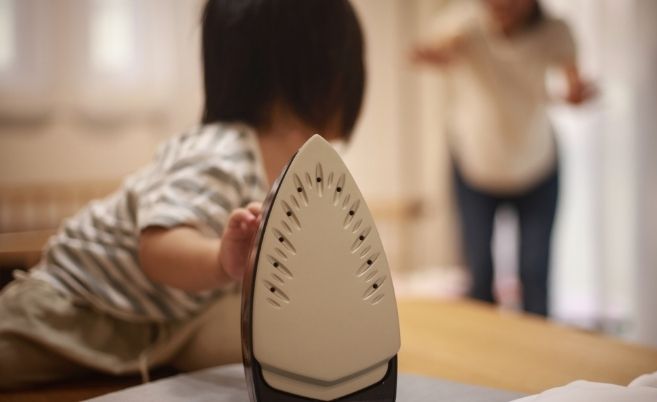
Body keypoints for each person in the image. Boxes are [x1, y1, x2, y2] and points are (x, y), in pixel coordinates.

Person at [0, 0, 365, 389]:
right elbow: (157, 249)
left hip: (152, 321)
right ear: (329, 79)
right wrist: (222, 259)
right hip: (72, 305)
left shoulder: (281, 171)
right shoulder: (220, 154)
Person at [414, 0, 593, 316]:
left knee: (535, 274)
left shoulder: (555, 31)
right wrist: (441, 52)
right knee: (479, 274)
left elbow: (573, 83)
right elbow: (428, 52)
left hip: (537, 162)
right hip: (475, 161)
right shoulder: (464, 24)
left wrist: (577, 94)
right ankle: (480, 361)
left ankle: (538, 360)